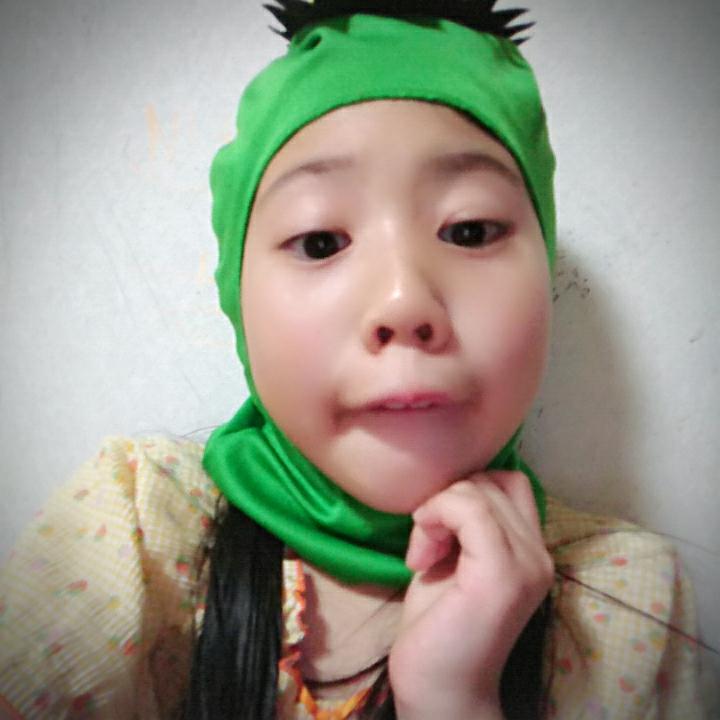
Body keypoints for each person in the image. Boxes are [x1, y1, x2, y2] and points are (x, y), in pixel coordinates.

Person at [0, 1, 709, 718]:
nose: (404, 302)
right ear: (237, 301)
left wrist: (456, 700)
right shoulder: (136, 532)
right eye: (320, 242)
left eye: (469, 230)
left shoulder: (625, 602)